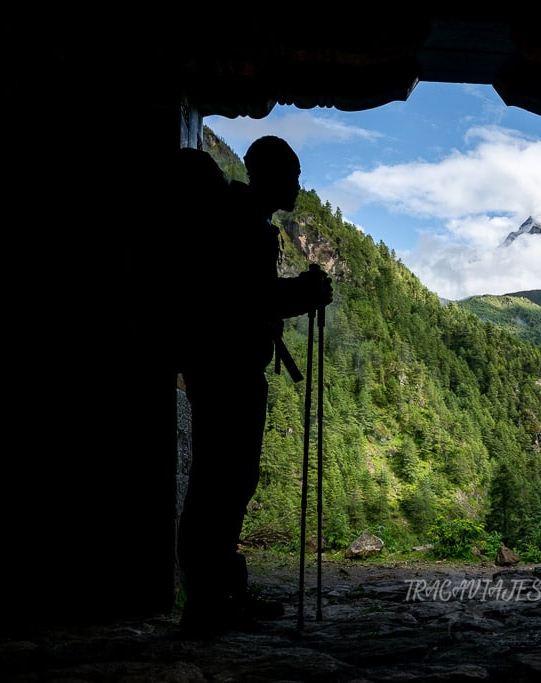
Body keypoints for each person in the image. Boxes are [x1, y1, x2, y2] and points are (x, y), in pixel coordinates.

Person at [175, 137, 333, 638]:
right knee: (220, 484)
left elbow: (243, 296)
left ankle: (218, 592)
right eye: (292, 175)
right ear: (267, 174)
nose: (298, 185)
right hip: (230, 370)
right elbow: (248, 300)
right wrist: (304, 293)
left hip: (218, 367)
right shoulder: (245, 227)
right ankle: (208, 602)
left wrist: (295, 293)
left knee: (223, 482)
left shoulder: (240, 220)